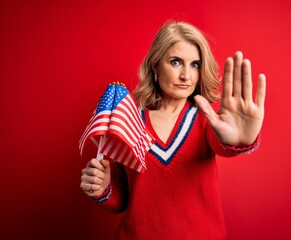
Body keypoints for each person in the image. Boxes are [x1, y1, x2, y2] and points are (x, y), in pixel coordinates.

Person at [80, 21, 266, 240]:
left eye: (195, 65)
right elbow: (122, 200)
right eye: (176, 62)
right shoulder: (127, 121)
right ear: (156, 66)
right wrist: (102, 189)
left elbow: (223, 145)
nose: (186, 75)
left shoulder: (207, 121)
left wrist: (240, 141)